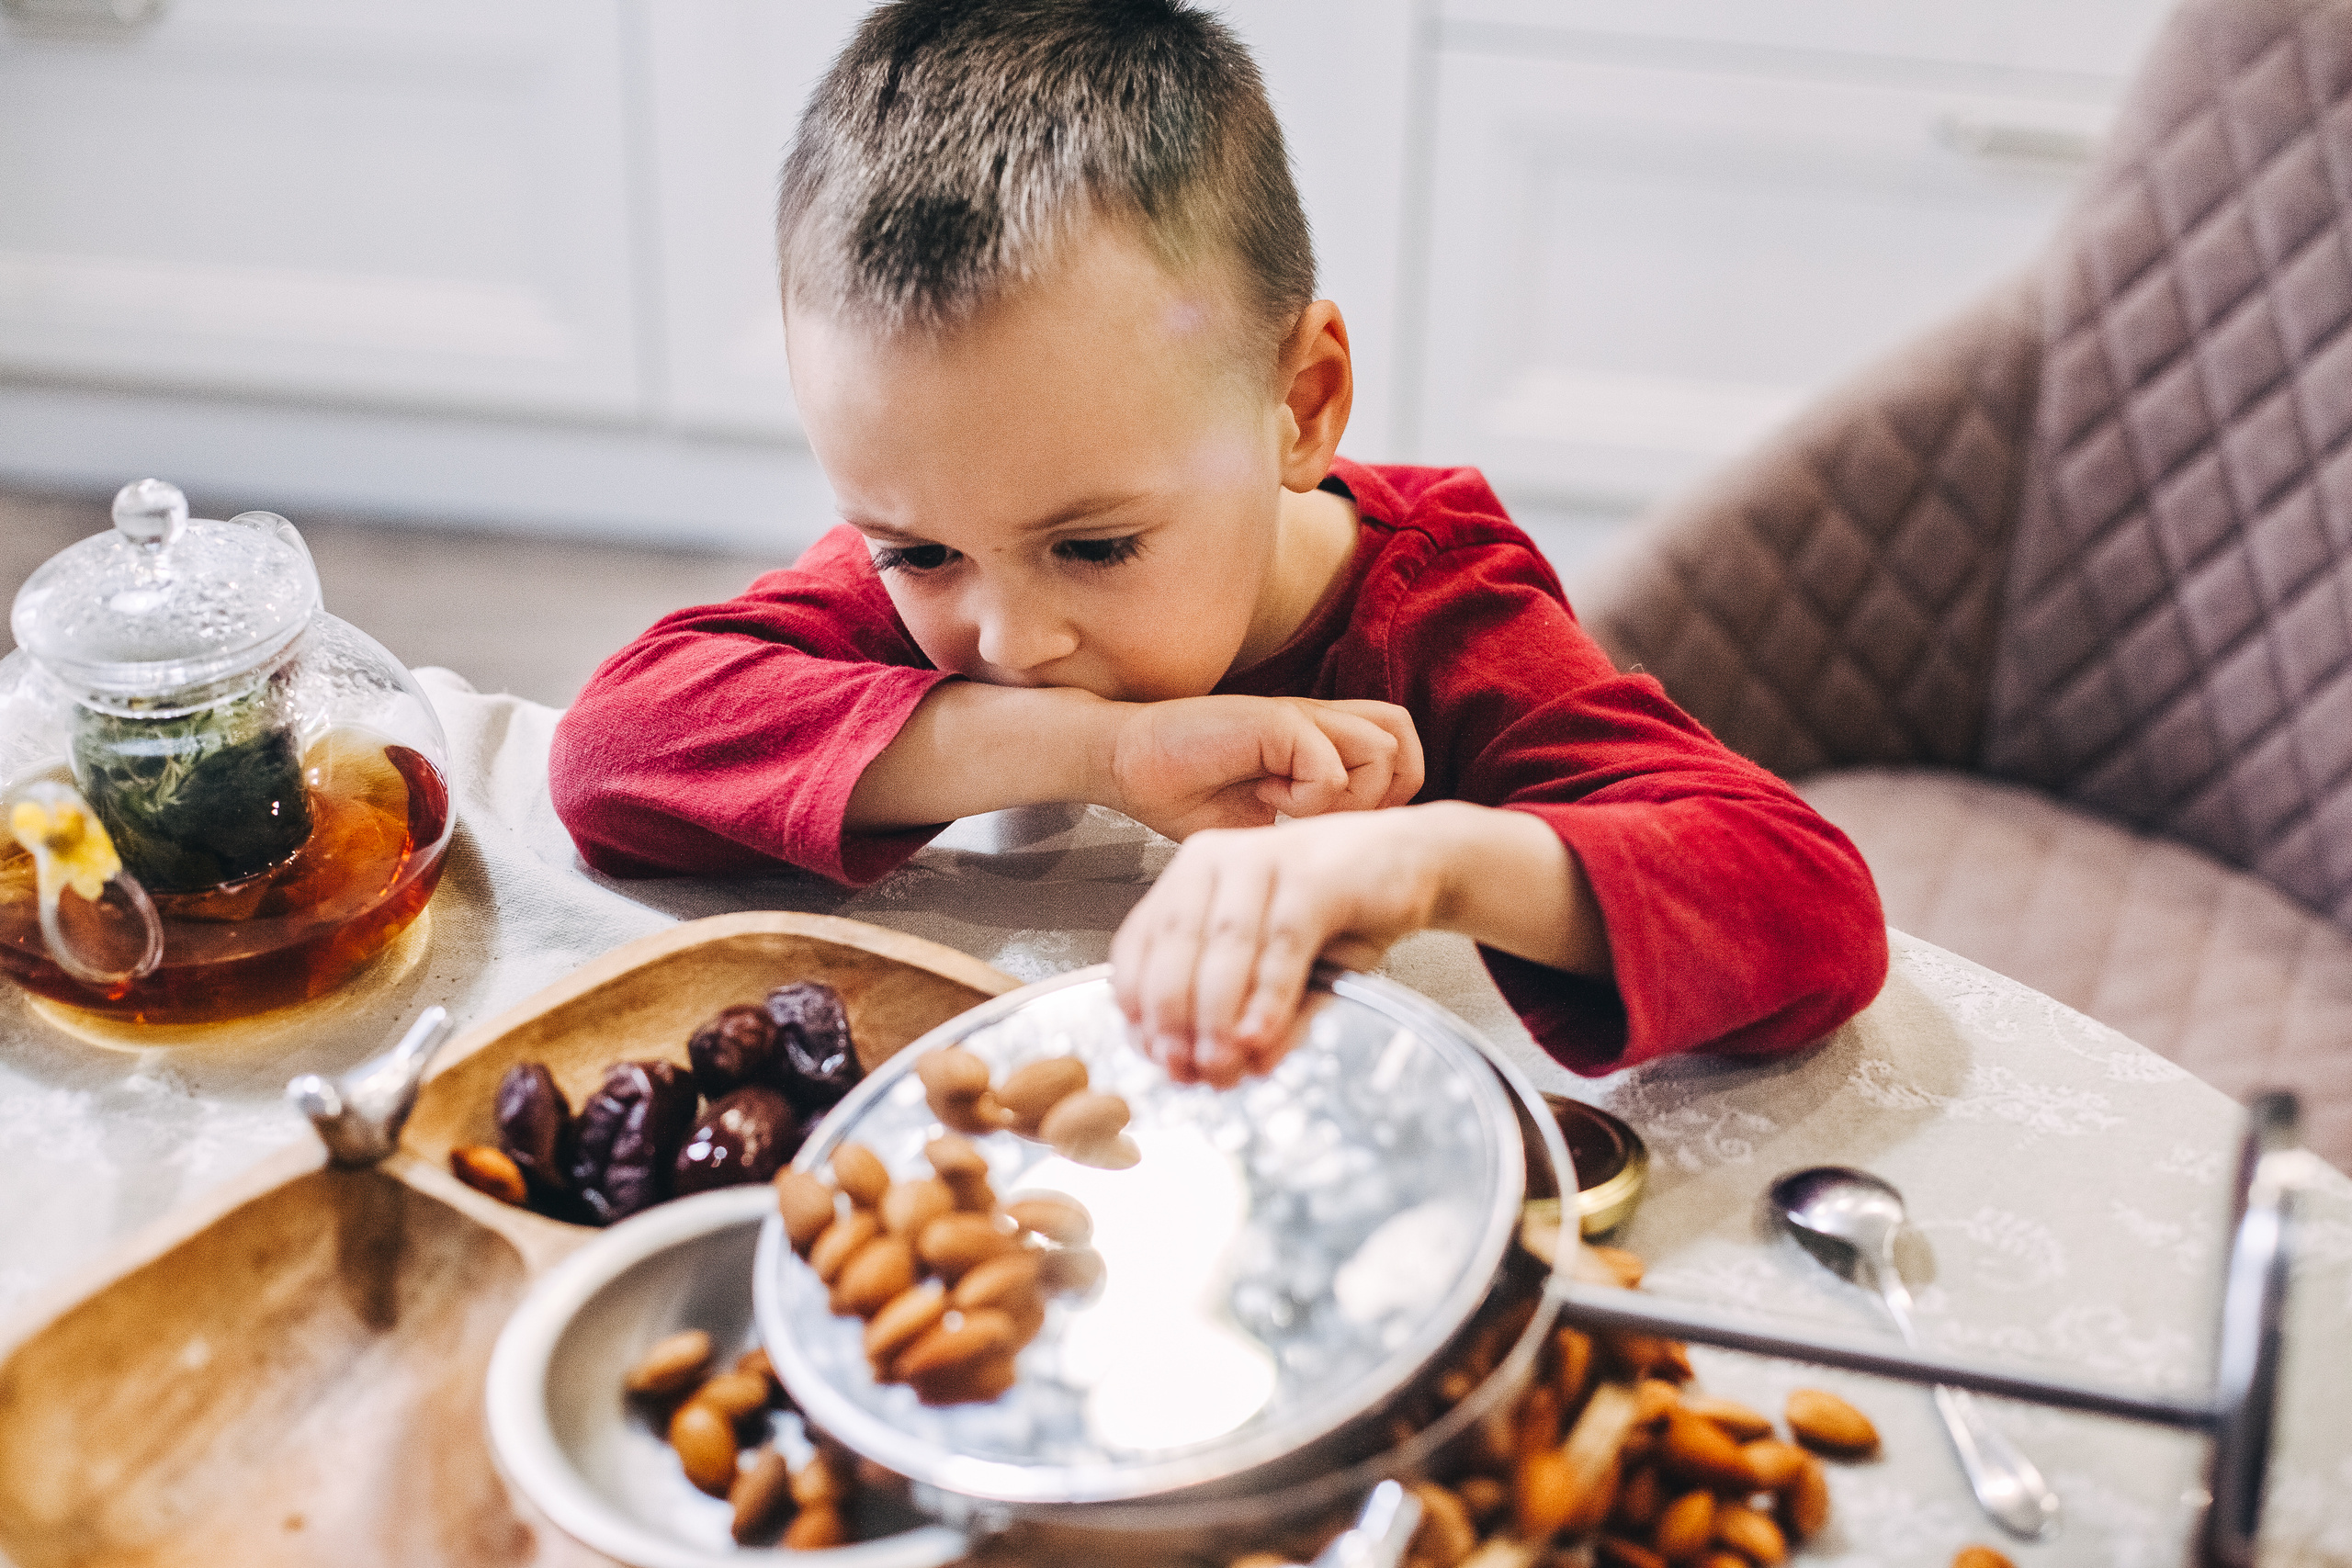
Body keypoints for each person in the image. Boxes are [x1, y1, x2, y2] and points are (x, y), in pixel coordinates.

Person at [549, 0, 1887, 1089]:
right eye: (914, 555)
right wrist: (1109, 753)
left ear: (1301, 405)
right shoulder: (988, 511)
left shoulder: (1440, 611)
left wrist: (1429, 860)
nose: (1009, 639)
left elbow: (1816, 912)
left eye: (1096, 550)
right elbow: (613, 750)